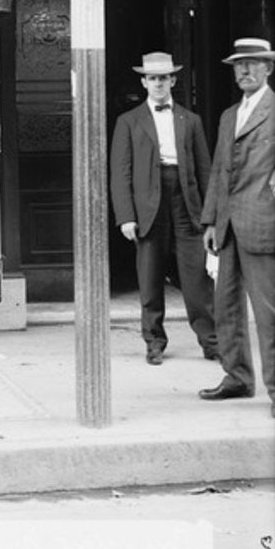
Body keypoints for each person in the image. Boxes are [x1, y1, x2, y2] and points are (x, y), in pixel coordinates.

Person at [110, 51, 217, 365]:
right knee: (150, 275)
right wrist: (126, 216)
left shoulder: (190, 120)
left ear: (173, 80)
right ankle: (154, 341)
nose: (158, 83)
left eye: (164, 78)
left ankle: (211, 341)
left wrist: (210, 215)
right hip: (148, 204)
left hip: (186, 200)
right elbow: (121, 172)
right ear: (144, 82)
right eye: (153, 78)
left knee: (197, 276)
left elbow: (205, 170)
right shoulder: (128, 121)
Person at [198, 37, 275, 418]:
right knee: (226, 305)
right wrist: (211, 220)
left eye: (252, 63)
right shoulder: (229, 115)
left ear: (268, 68)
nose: (244, 70)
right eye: (238, 65)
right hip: (227, 225)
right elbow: (218, 170)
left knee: (269, 313)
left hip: (264, 222)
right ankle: (238, 377)